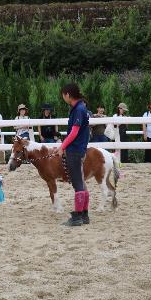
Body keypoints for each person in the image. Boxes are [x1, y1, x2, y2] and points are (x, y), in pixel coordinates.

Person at [55, 83, 91, 226]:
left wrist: (62, 147)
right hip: (79, 149)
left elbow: (74, 132)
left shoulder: (78, 109)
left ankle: (77, 217)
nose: (63, 98)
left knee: (78, 184)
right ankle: (84, 214)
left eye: (63, 95)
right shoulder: (81, 108)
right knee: (81, 182)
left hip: (75, 151)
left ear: (67, 95)